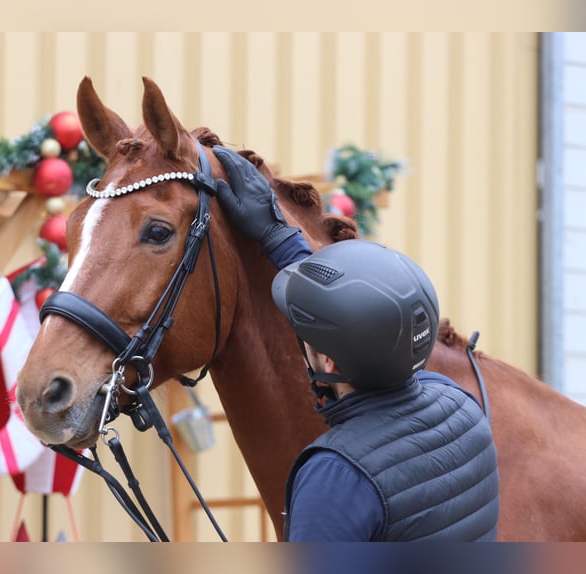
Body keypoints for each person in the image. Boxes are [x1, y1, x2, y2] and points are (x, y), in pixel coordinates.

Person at [211, 145, 500, 542]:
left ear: (329, 361)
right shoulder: (461, 406)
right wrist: (277, 234)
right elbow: (376, 313)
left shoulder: (337, 476)